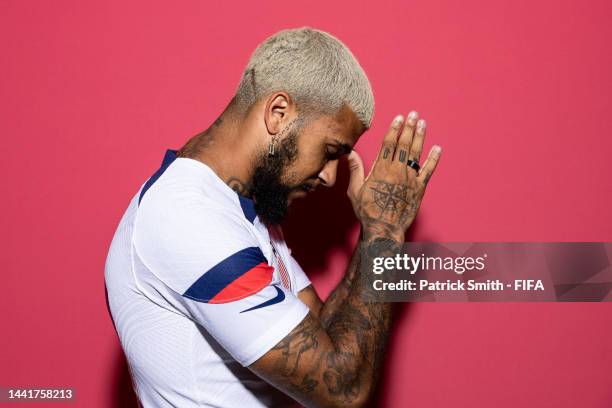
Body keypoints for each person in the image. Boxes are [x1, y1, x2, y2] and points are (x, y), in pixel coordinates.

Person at [105, 27, 441, 408]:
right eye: (331, 150)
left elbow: (324, 336)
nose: (331, 177)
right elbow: (343, 390)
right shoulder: (188, 220)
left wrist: (371, 227)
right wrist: (384, 230)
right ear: (279, 113)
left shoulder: (242, 208)